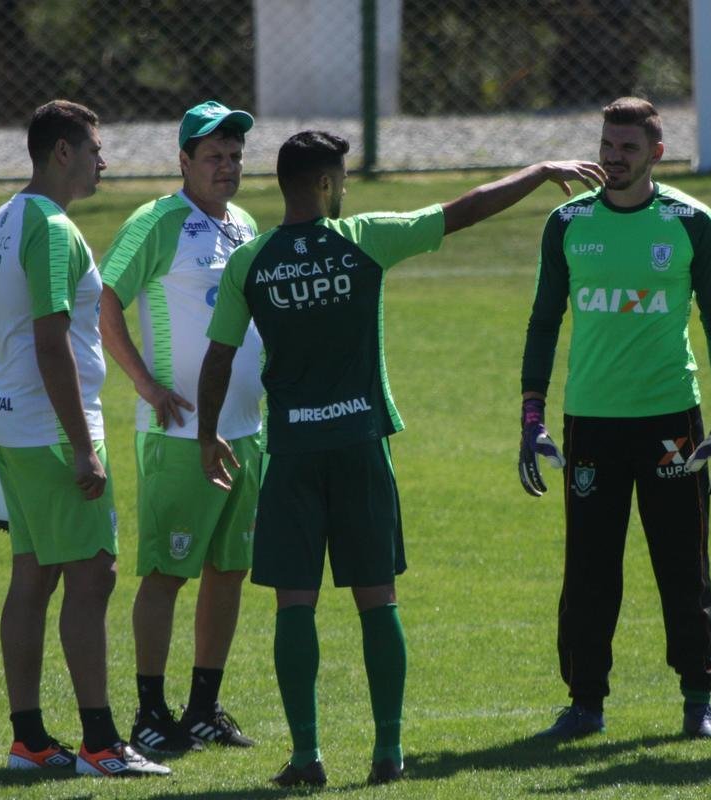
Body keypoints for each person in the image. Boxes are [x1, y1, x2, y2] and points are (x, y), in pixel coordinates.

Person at [197, 130, 605, 787]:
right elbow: (465, 209)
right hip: (360, 445)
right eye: (344, 180)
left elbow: (219, 356)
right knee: (377, 599)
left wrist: (206, 434)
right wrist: (538, 169)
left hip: (293, 452)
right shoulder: (364, 237)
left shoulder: (252, 262)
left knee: (293, 604)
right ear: (327, 185)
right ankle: (388, 753)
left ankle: (307, 758)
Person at [519, 97, 711, 742]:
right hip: (590, 420)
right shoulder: (566, 222)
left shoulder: (690, 222)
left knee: (682, 564)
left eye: (628, 150)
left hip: (672, 419)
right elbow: (542, 320)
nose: (613, 160)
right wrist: (532, 414)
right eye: (607, 147)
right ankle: (584, 703)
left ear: (656, 155)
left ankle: (699, 701)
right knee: (588, 569)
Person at [0, 99, 168, 777]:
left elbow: (5, 332)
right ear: (62, 151)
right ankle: (100, 744)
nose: (102, 159)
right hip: (52, 427)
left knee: (33, 576)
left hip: (8, 420)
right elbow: (51, 342)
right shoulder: (52, 228)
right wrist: (82, 443)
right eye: (93, 147)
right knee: (95, 573)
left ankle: (29, 739)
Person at [98, 100, 259, 753]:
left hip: (247, 430)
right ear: (184, 161)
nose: (226, 167)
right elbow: (105, 298)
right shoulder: (158, 221)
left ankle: (202, 707)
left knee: (229, 570)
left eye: (235, 156)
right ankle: (148, 712)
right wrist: (144, 382)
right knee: (167, 572)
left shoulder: (246, 223)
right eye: (213, 156)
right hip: (177, 434)